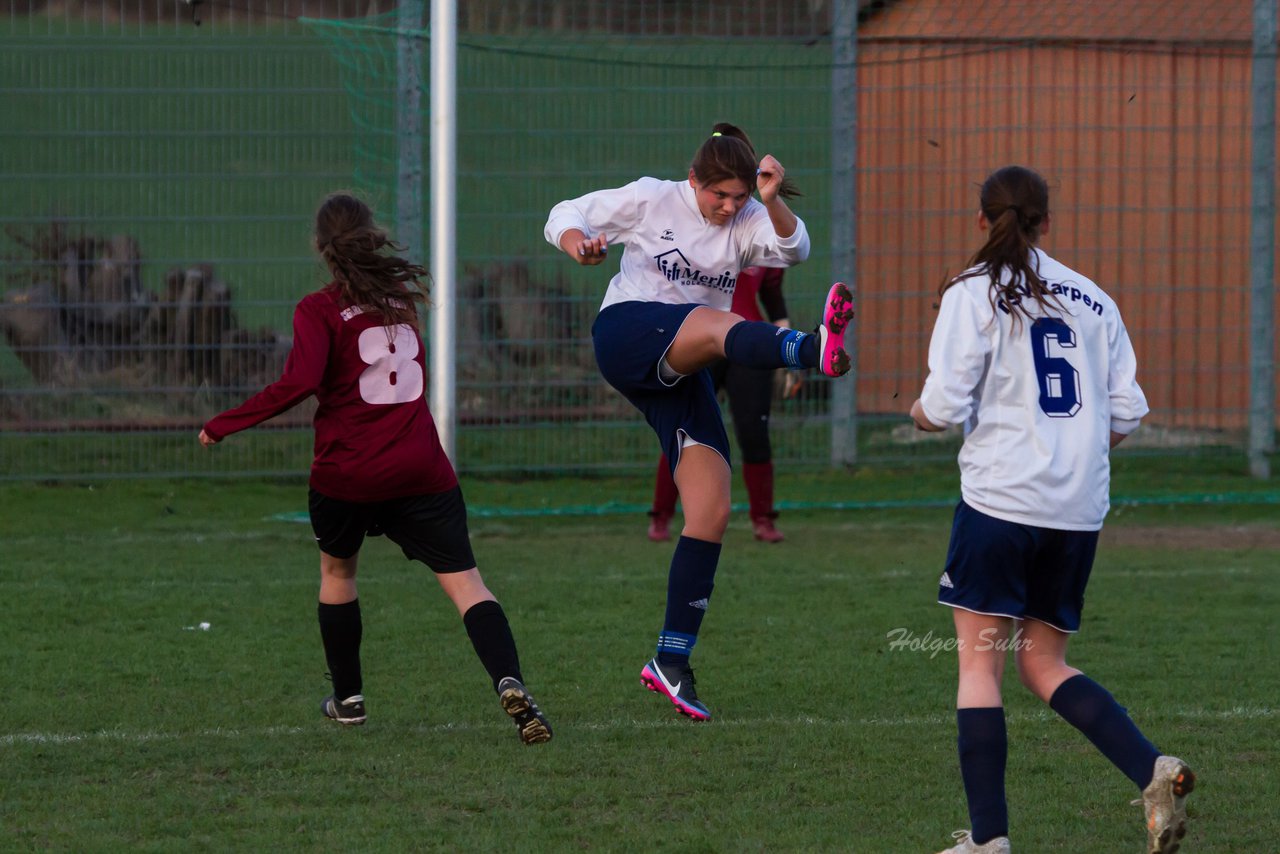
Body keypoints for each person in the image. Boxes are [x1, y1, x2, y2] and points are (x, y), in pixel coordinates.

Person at [199, 192, 552, 745]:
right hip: (420, 469)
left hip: (347, 472)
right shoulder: (399, 303)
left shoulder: (317, 309)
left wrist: (224, 423)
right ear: (370, 237)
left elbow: (298, 382)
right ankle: (510, 680)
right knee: (468, 586)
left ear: (321, 247)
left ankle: (350, 700)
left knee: (339, 575)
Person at [909, 166, 1193, 853]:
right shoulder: (1094, 299)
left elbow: (942, 407)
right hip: (1077, 507)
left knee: (980, 668)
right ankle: (1151, 768)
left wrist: (917, 411)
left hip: (1001, 501)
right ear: (1045, 222)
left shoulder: (972, 292)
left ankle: (989, 840)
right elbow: (1125, 411)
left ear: (984, 220)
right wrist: (1071, 448)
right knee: (1044, 664)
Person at [545, 122, 853, 722]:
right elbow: (564, 212)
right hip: (628, 334)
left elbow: (796, 250)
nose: (729, 206)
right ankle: (809, 350)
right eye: (721, 195)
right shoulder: (653, 197)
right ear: (695, 180)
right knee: (715, 327)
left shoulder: (746, 220)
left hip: (682, 365)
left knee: (711, 510)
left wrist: (769, 201)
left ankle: (670, 661)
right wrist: (579, 242)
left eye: (739, 196)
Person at [646, 265, 802, 544]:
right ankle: (661, 516)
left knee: (754, 433)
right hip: (700, 341)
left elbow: (773, 299)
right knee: (680, 430)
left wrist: (788, 357)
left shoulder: (763, 239)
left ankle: (763, 519)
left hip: (748, 345)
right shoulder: (698, 232)